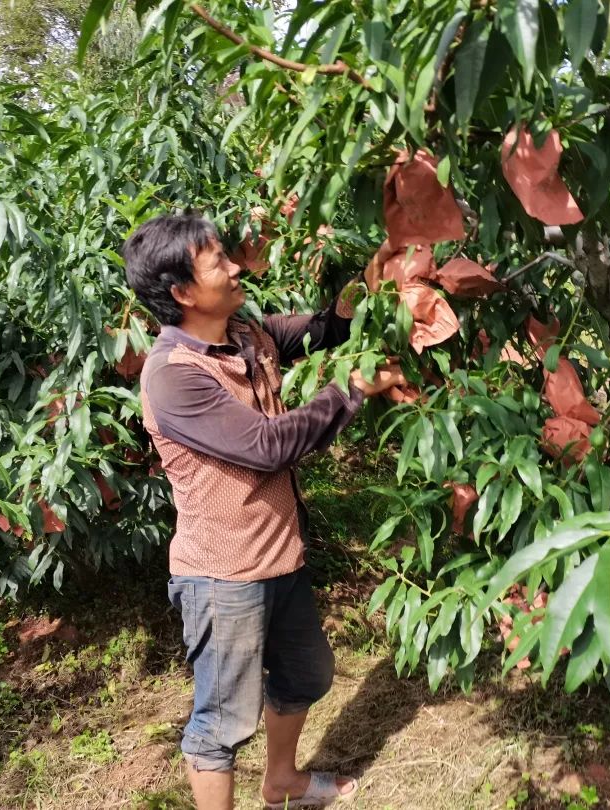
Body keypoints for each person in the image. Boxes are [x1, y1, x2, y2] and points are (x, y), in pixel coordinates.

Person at [123, 213, 404, 810]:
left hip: (280, 555)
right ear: (181, 292)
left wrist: (372, 279)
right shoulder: (174, 376)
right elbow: (267, 447)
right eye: (217, 261)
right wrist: (351, 388)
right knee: (221, 724)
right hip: (223, 575)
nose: (233, 266)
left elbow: (324, 328)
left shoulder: (245, 333)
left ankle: (281, 782)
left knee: (307, 675)